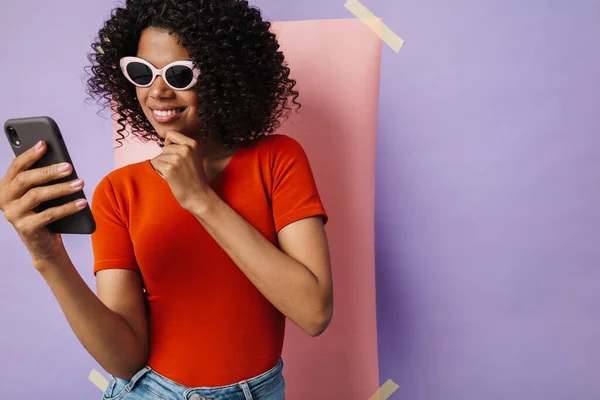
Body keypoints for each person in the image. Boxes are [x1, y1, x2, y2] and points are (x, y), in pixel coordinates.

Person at [0, 0, 333, 398]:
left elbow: (313, 312)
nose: (157, 91)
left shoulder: (277, 160)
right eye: (142, 73)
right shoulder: (120, 191)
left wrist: (200, 200)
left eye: (178, 75)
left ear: (223, 75)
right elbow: (125, 359)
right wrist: (48, 258)